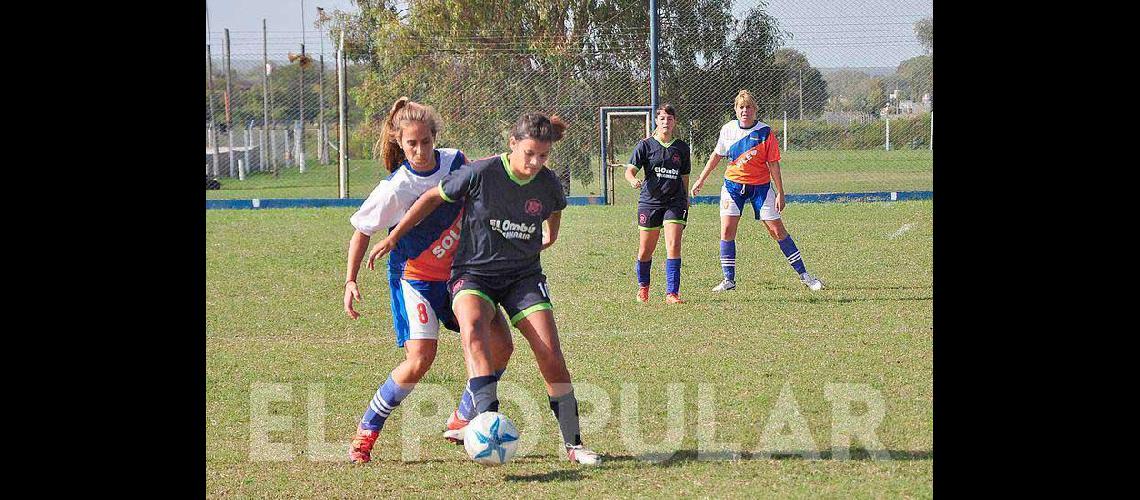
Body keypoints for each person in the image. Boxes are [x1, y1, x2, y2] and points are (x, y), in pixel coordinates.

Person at [367, 112, 602, 465]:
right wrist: (395, 236)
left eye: (543, 156)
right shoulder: (482, 172)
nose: (536, 162)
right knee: (474, 330)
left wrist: (549, 237)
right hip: (473, 276)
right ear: (512, 144)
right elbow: (432, 197)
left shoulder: (548, 183)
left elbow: (554, 213)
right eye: (529, 154)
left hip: (523, 277)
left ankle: (574, 445)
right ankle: (485, 422)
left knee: (551, 353)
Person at [343, 97, 513, 464]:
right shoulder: (396, 188)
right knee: (420, 360)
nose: (420, 151)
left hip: (460, 277)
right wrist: (350, 280)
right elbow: (362, 229)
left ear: (436, 137)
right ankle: (367, 432)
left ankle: (463, 416)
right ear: (399, 143)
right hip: (415, 280)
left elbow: (480, 181)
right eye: (411, 144)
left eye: (425, 142)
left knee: (501, 345)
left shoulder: (454, 162)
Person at [690, 89, 825, 292]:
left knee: (777, 231)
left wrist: (780, 191)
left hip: (760, 188)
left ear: (755, 110)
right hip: (732, 187)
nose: (745, 111)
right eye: (741, 107)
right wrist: (701, 179)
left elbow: (773, 165)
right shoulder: (727, 130)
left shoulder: (765, 132)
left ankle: (805, 276)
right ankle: (729, 280)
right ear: (735, 110)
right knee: (727, 230)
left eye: (749, 107)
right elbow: (716, 156)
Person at [623, 103, 691, 304]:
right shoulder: (645, 145)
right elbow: (629, 171)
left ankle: (672, 293)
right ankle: (643, 287)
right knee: (645, 250)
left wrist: (686, 198)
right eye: (662, 118)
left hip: (675, 202)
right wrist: (633, 180)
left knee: (673, 245)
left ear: (674, 122)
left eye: (669, 119)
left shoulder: (681, 147)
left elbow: (684, 175)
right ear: (656, 121)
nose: (666, 122)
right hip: (650, 202)